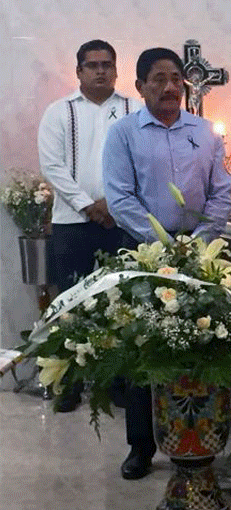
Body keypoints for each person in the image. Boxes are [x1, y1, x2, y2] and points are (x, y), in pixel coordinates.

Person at [103, 47, 231, 480]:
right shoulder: (124, 133)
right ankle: (141, 445)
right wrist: (160, 245)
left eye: (176, 78)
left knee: (203, 340)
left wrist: (196, 245)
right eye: (158, 79)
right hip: (144, 252)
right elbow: (120, 197)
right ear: (140, 87)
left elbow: (220, 193)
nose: (169, 87)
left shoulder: (205, 131)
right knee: (145, 348)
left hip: (201, 252)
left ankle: (203, 435)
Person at [37, 39, 141, 412]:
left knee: (123, 304)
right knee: (72, 303)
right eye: (92, 65)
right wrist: (89, 206)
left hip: (123, 223)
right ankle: (70, 382)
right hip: (73, 223)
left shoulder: (133, 109)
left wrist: (114, 206)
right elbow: (52, 167)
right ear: (78, 71)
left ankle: (119, 381)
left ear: (116, 70)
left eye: (106, 65)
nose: (100, 71)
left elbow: (143, 162)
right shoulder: (59, 112)